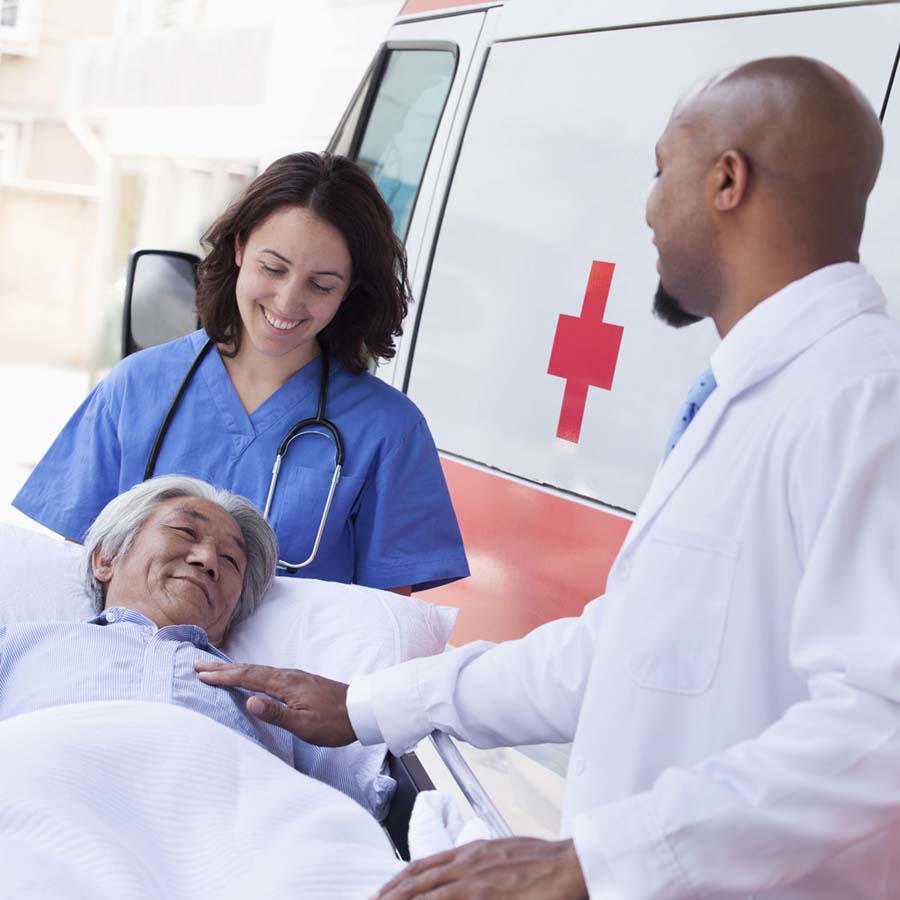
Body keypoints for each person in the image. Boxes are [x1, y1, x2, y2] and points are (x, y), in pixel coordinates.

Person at [195, 57, 900, 899]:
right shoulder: (756, 395)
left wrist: (600, 861)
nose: (646, 208)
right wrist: (367, 707)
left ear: (726, 179)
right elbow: (622, 650)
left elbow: (883, 721)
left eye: (659, 169)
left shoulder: (864, 403)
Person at [13, 152, 469, 595]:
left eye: (321, 284)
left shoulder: (388, 431)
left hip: (287, 672)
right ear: (239, 247)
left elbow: (382, 632)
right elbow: (75, 579)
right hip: (129, 666)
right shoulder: (136, 388)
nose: (288, 302)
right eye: (272, 268)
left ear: (350, 290)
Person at [0, 475, 296, 762]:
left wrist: (342, 709)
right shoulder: (19, 644)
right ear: (107, 558)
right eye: (185, 532)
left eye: (230, 560)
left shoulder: (278, 703)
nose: (208, 559)